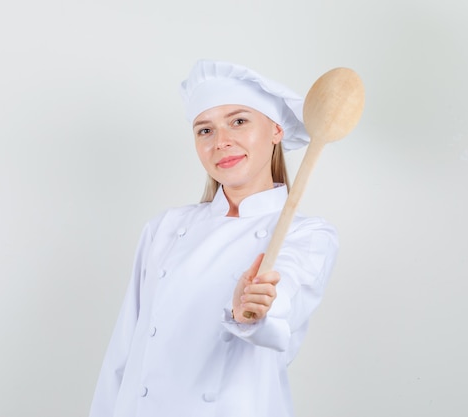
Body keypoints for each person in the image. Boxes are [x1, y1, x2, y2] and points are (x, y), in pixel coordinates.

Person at [89, 59, 339, 417]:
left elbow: (282, 306)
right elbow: (123, 352)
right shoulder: (165, 228)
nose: (221, 142)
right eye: (204, 130)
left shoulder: (308, 236)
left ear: (276, 131)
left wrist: (251, 309)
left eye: (238, 121)